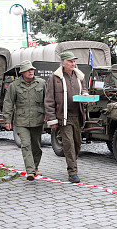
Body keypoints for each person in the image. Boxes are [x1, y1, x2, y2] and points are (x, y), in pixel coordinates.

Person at [44, 51, 88, 183]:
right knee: (68, 144)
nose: (73, 64)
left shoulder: (80, 76)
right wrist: (52, 119)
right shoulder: (54, 78)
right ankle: (72, 172)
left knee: (77, 143)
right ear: (63, 63)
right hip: (64, 117)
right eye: (70, 61)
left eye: (74, 61)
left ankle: (73, 162)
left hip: (78, 116)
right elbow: (49, 100)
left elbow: (84, 90)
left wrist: (85, 95)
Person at [3, 60, 46, 181]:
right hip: (21, 121)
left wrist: (49, 115)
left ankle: (35, 166)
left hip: (38, 119)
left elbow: (47, 100)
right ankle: (30, 171)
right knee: (26, 145)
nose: (31, 71)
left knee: (36, 146)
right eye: (28, 70)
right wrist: (7, 120)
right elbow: (8, 103)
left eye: (32, 69)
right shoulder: (14, 86)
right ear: (22, 72)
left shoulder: (41, 83)